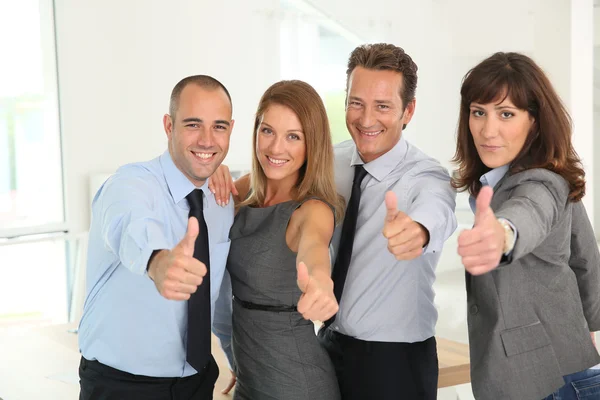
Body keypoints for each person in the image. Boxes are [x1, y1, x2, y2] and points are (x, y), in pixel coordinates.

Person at [210, 43, 457, 399]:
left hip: (393, 361)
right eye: (356, 103)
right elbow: (265, 177)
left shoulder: (426, 177)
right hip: (328, 344)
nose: (366, 119)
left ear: (409, 110)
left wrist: (418, 231)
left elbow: (437, 211)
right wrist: (215, 176)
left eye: (383, 106)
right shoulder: (329, 159)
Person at [78, 75, 237, 400]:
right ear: (169, 125)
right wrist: (158, 260)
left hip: (198, 381)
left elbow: (218, 296)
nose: (208, 140)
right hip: (122, 387)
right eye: (193, 125)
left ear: (230, 129)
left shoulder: (221, 201)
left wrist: (235, 359)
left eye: (218, 127)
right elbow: (130, 226)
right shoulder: (129, 185)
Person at [453, 52, 600, 400]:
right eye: (479, 112)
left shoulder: (540, 183)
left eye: (506, 114)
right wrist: (590, 328)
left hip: (548, 383)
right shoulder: (535, 174)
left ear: (534, 121)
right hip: (571, 369)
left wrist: (502, 235)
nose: (488, 130)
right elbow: (585, 259)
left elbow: (527, 213)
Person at [220, 80, 343, 400]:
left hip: (296, 384)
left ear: (311, 143)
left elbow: (314, 250)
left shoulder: (312, 209)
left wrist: (320, 282)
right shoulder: (245, 190)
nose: (276, 148)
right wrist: (211, 174)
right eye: (268, 131)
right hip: (248, 380)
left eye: (293, 136)